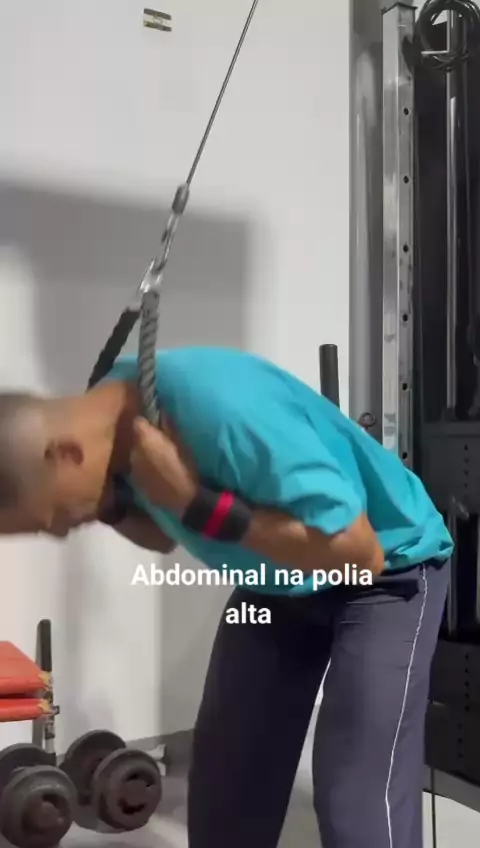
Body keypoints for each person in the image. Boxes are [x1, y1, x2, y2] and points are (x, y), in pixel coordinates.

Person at [0, 345, 452, 848]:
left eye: (49, 518)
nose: (59, 532)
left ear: (65, 454)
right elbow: (162, 534)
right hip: (277, 581)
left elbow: (359, 553)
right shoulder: (113, 426)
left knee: (356, 804)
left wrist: (195, 503)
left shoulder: (223, 412)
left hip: (387, 572)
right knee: (227, 791)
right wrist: (117, 504)